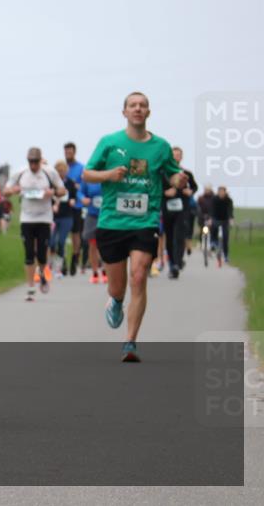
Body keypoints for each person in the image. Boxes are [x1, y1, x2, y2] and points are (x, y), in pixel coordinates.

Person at [83, 92, 188, 363]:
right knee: (117, 288)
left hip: (145, 221)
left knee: (139, 277)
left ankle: (130, 342)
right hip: (112, 222)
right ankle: (116, 301)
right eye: (133, 105)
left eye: (142, 105)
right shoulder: (109, 142)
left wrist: (178, 179)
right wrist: (109, 174)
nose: (138, 109)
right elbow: (87, 173)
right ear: (125, 112)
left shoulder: (161, 146)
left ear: (148, 112)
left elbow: (172, 173)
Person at [4, 147, 65, 300]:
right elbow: (5, 191)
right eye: (30, 161)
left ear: (40, 160)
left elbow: (62, 190)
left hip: (44, 218)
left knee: (42, 255)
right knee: (29, 254)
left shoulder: (49, 172)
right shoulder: (21, 173)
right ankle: (31, 287)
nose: (33, 165)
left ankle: (42, 273)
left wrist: (53, 192)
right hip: (27, 219)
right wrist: (13, 190)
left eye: (36, 161)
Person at [161, 146, 198, 279]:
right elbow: (156, 187)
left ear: (181, 157)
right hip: (167, 209)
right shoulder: (164, 172)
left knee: (179, 236)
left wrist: (190, 191)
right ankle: (172, 263)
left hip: (182, 209)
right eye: (174, 155)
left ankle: (177, 263)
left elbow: (194, 187)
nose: (176, 157)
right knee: (170, 237)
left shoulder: (186, 173)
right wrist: (165, 192)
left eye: (178, 155)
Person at [49, 160, 78, 278]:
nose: (61, 173)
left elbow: (74, 196)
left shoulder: (70, 183)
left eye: (63, 171)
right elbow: (49, 197)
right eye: (59, 171)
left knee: (61, 241)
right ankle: (51, 264)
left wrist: (73, 200)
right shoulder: (52, 183)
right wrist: (52, 205)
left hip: (67, 216)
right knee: (51, 242)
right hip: (54, 217)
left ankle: (59, 267)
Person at [63, 142, 86, 275]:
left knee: (76, 234)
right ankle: (63, 260)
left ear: (74, 152)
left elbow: (83, 186)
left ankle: (75, 258)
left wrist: (77, 188)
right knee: (63, 233)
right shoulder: (62, 167)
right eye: (66, 152)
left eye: (70, 152)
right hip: (64, 205)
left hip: (77, 205)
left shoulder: (81, 168)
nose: (68, 154)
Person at [80, 178, 106, 284]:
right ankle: (95, 272)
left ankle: (105, 270)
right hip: (92, 215)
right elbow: (80, 192)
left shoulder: (108, 176)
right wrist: (83, 198)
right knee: (92, 244)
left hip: (106, 215)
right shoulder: (89, 178)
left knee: (105, 244)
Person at [210, 186, 234, 265]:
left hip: (225, 220)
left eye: (222, 191)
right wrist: (211, 218)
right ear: (218, 192)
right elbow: (212, 209)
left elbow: (230, 210)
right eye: (219, 191)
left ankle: (226, 256)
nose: (221, 193)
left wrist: (231, 219)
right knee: (213, 226)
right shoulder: (214, 199)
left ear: (225, 192)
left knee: (225, 237)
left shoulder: (228, 200)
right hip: (216, 218)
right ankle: (213, 241)